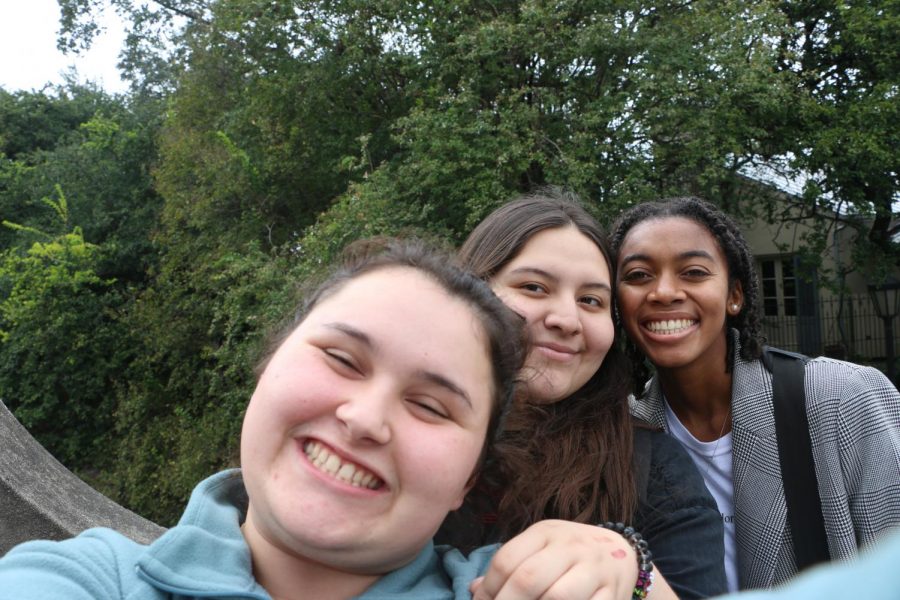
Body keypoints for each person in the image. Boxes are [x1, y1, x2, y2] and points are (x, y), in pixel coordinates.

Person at [0, 238, 659, 600]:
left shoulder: (504, 594)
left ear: (468, 478)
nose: (366, 419)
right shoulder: (86, 579)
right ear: (267, 367)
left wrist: (628, 570)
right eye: (342, 359)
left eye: (431, 406)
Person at [438, 189, 727, 599]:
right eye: (535, 288)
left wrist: (633, 568)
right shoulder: (393, 432)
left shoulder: (653, 472)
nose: (566, 319)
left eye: (591, 300)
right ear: (470, 293)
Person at [610, 196, 900, 591]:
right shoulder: (625, 435)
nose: (663, 292)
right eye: (639, 275)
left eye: (694, 272)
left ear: (735, 295)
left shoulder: (841, 400)